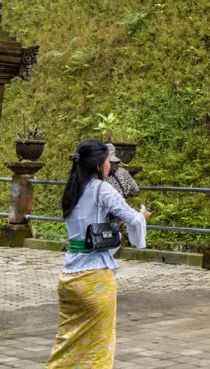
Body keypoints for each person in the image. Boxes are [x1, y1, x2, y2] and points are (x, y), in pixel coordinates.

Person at [46, 139, 151, 369]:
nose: (109, 167)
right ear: (98, 165)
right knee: (98, 345)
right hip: (95, 279)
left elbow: (88, 225)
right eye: (107, 162)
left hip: (69, 277)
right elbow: (133, 219)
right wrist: (143, 216)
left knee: (68, 342)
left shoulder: (72, 189)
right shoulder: (102, 188)